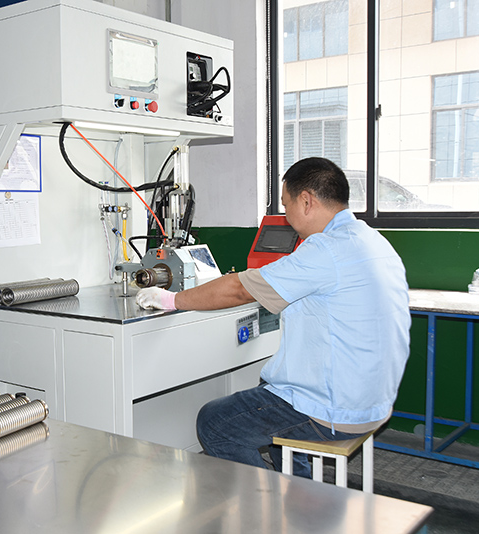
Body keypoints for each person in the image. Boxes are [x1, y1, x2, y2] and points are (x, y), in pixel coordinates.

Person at [135, 157, 411, 477]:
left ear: (306, 201)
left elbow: (240, 289)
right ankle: (298, 489)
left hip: (337, 410)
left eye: (285, 204)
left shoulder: (325, 249)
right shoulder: (372, 240)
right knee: (268, 384)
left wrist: (172, 300)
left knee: (215, 423)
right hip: (375, 401)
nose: (285, 215)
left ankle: (264, 500)